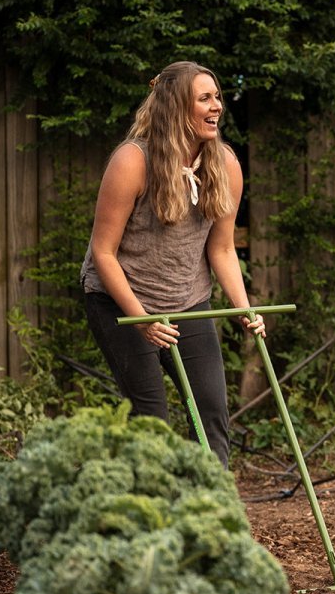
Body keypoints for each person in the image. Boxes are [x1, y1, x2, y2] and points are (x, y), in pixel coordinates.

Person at [80, 61, 263, 467]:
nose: (216, 106)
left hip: (188, 299)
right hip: (121, 303)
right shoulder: (133, 161)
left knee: (211, 412)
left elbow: (223, 249)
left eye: (217, 97)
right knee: (153, 421)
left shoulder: (225, 165)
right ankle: (153, 518)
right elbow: (103, 252)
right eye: (204, 98)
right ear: (176, 107)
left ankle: (210, 513)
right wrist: (141, 318)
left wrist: (243, 307)